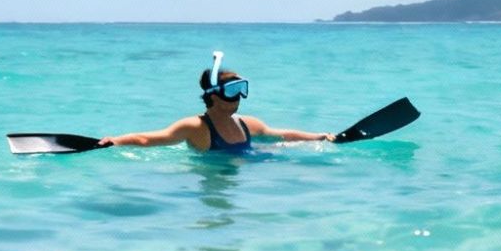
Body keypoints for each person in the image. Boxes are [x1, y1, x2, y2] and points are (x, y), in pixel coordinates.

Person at [100, 54, 334, 152]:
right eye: (233, 91)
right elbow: (148, 139)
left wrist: (320, 137)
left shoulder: (247, 124)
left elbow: (282, 135)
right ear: (213, 96)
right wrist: (115, 141)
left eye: (242, 89)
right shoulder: (196, 128)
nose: (239, 97)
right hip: (214, 180)